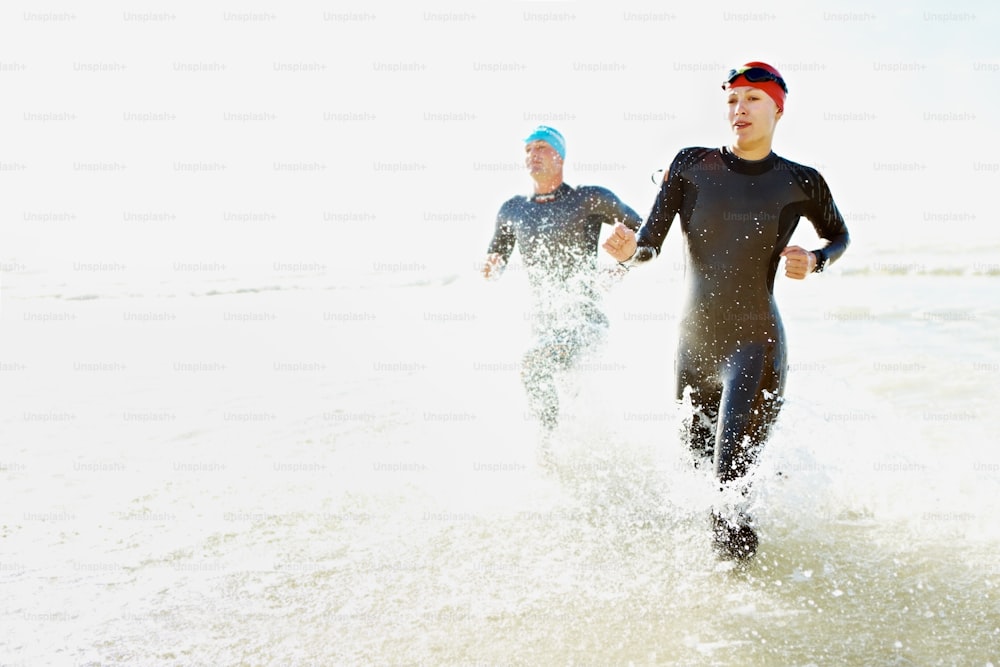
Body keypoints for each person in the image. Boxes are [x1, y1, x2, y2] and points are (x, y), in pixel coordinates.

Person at [603, 62, 850, 560]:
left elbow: (838, 236)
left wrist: (816, 260)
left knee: (727, 494)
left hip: (754, 348)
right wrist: (628, 252)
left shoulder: (801, 181)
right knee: (701, 481)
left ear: (778, 108)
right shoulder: (692, 165)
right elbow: (649, 244)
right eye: (733, 101)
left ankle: (741, 610)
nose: (740, 110)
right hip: (693, 350)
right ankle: (722, 594)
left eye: (753, 99)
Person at [483, 125, 642, 438]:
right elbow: (494, 263)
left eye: (541, 147)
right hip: (544, 327)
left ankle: (547, 446)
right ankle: (576, 455)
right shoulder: (513, 210)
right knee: (573, 404)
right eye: (528, 149)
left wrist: (622, 265)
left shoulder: (589, 199)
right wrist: (490, 270)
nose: (533, 155)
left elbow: (645, 230)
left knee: (532, 363)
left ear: (560, 155)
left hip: (585, 323)